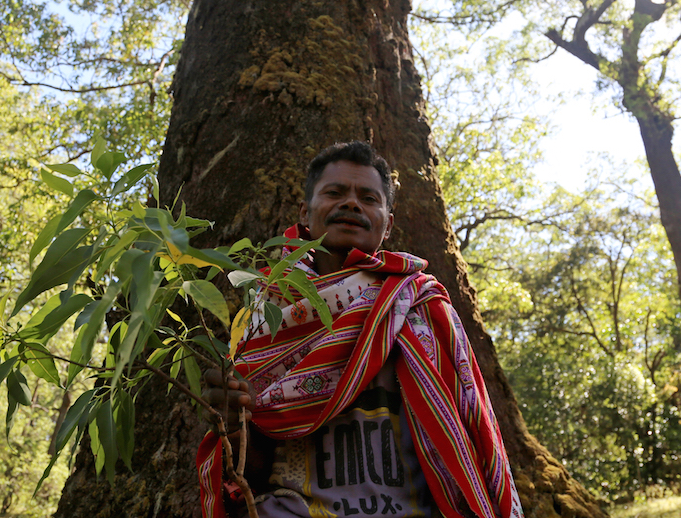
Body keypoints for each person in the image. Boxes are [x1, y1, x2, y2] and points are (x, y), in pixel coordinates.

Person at [197, 142, 522, 518]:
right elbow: (248, 472)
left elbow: (469, 440)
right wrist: (233, 421)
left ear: (388, 222)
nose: (351, 204)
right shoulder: (269, 309)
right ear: (305, 212)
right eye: (334, 192)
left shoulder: (422, 306)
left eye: (368, 198)